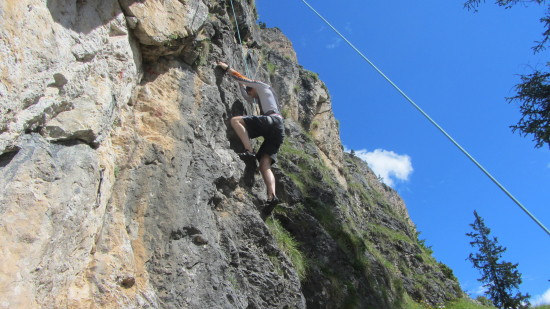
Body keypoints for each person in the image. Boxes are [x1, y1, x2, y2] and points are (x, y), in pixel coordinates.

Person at [216, 61, 285, 211]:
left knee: (235, 121)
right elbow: (246, 96)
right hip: (278, 129)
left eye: (249, 90)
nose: (249, 93)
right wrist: (242, 88)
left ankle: (249, 150)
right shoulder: (265, 98)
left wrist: (226, 68)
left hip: (271, 121)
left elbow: (241, 78)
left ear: (254, 87)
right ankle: (272, 197)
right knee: (264, 165)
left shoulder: (261, 86)